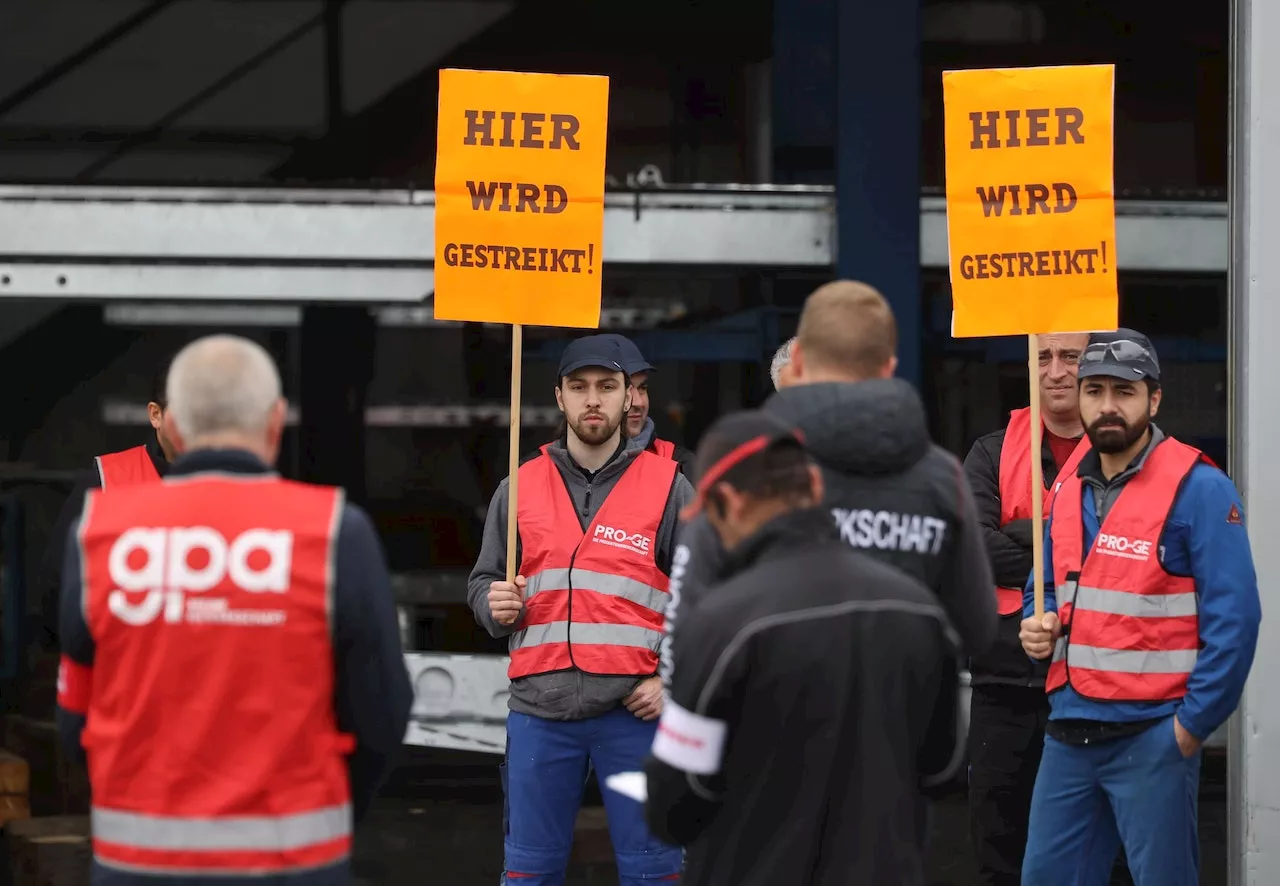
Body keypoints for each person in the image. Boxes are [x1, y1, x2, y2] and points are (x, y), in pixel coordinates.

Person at [55, 335, 413, 885]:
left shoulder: (100, 533)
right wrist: (336, 812)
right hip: (294, 860)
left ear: (173, 424)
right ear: (276, 420)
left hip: (137, 861)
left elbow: (74, 713)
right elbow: (381, 714)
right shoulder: (335, 532)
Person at [644, 410, 961, 886]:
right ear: (814, 487)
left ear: (727, 502)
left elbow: (674, 806)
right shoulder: (919, 610)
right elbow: (943, 770)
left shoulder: (721, 623)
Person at [664, 280, 996, 688]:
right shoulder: (944, 477)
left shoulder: (741, 467)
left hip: (765, 731)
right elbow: (976, 630)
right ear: (889, 367)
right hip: (899, 734)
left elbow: (688, 629)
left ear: (798, 360)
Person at [1018, 329, 1261, 886]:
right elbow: (1045, 586)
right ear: (1076, 398)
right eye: (1094, 390)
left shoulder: (1199, 488)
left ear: (1153, 400)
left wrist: (1190, 727)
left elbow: (1236, 619)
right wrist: (1038, 622)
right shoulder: (1068, 490)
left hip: (1154, 736)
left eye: (1124, 392)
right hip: (1069, 733)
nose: (1107, 406)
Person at [468, 335, 694, 885]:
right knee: (528, 872)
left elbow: (712, 601)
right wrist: (492, 603)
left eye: (607, 388)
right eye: (579, 387)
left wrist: (673, 679)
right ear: (560, 399)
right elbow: (482, 582)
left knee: (653, 872)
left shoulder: (670, 488)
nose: (593, 400)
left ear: (628, 399)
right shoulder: (517, 488)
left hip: (635, 716)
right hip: (539, 715)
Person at [961, 332, 1091, 886]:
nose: (1056, 371)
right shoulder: (992, 450)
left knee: (1099, 852)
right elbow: (971, 544)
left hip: (1094, 685)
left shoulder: (1127, 452)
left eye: (1071, 357)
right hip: (1004, 685)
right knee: (999, 848)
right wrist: (1073, 547)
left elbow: (1126, 550)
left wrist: (1024, 535)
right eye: (1044, 357)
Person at [36, 367, 176, 651]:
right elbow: (59, 584)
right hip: (125, 669)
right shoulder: (108, 476)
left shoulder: (236, 485)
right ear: (155, 415)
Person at [596, 333, 696, 475]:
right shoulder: (556, 466)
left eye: (642, 388)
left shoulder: (679, 465)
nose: (639, 402)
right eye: (626, 389)